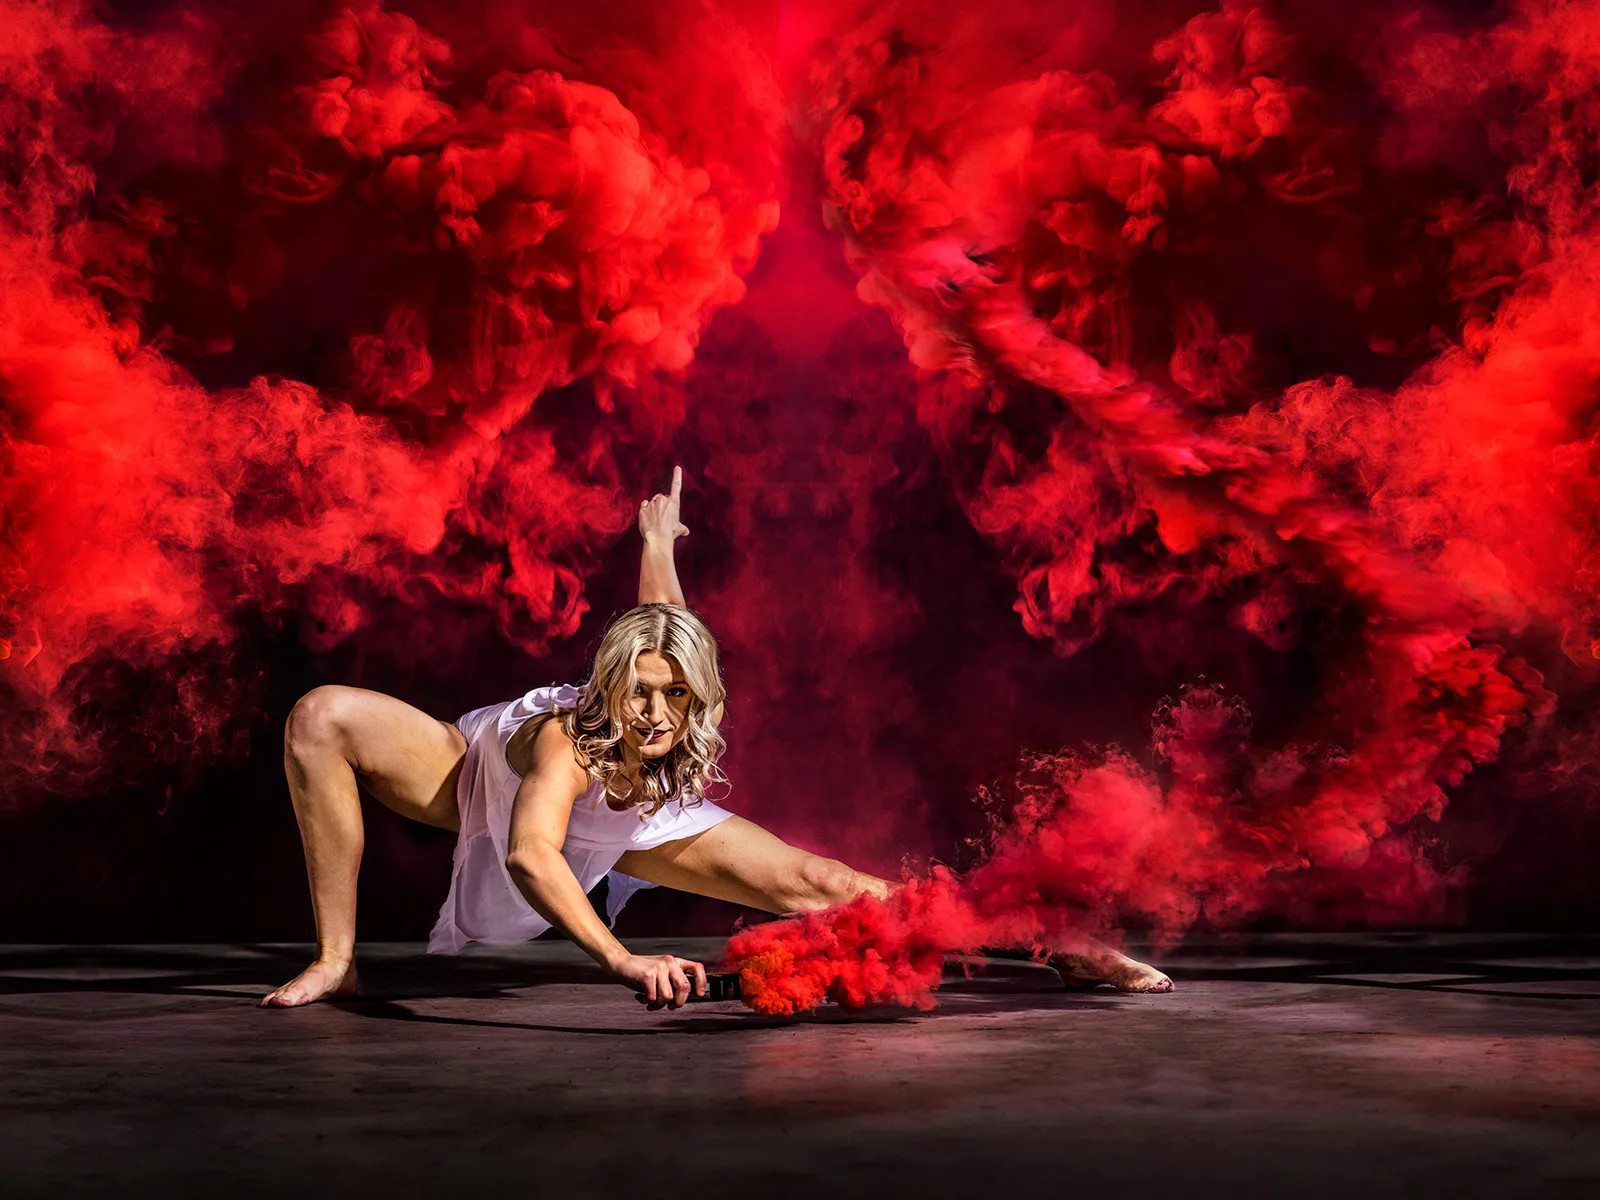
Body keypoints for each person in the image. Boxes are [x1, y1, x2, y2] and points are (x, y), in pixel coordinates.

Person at [261, 468, 1174, 1010]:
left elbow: (665, 615)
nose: (657, 715)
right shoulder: (568, 744)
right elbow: (532, 854)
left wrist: (657, 537)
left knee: (828, 885)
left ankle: (1053, 946)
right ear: (609, 688)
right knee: (322, 714)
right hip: (475, 788)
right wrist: (623, 961)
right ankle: (335, 962)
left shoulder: (676, 690)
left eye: (675, 697)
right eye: (638, 694)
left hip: (632, 812)